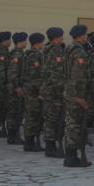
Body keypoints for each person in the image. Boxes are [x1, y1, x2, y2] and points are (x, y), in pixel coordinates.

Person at [61, 25, 92, 168]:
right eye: (85, 34)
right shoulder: (79, 51)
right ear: (80, 36)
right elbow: (78, 76)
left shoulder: (69, 48)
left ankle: (70, 155)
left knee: (71, 124)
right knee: (74, 125)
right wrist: (80, 97)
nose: (86, 36)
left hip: (69, 92)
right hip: (76, 94)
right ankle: (71, 157)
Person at [41, 27, 66, 158]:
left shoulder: (47, 49)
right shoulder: (56, 50)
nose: (63, 37)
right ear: (57, 37)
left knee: (50, 118)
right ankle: (50, 147)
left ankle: (50, 145)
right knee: (53, 119)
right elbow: (57, 73)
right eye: (61, 35)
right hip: (53, 90)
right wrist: (61, 91)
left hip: (48, 88)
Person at [5, 32, 28, 144]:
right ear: (20, 42)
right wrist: (17, 87)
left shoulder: (19, 53)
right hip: (15, 88)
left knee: (16, 112)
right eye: (25, 40)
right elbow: (13, 73)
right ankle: (12, 136)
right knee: (14, 112)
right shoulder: (17, 55)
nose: (26, 42)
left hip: (15, 87)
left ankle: (14, 135)